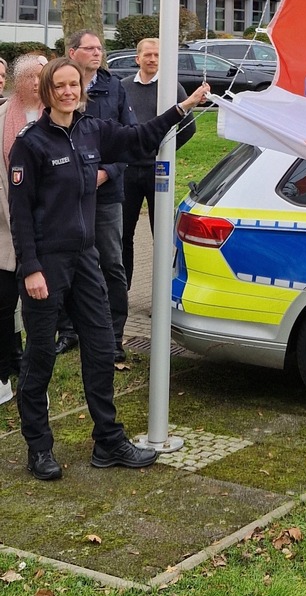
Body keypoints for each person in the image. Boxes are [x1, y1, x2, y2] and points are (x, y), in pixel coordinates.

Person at [8, 56, 212, 480]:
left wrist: (183, 106)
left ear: (81, 89)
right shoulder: (32, 143)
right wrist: (30, 268)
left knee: (101, 350)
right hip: (46, 264)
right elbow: (21, 212)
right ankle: (39, 447)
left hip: (86, 260)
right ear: (46, 93)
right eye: (59, 86)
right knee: (40, 356)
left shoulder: (92, 131)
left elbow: (139, 139)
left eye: (73, 85)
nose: (67, 91)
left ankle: (108, 441)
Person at [54, 31, 137, 362]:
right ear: (73, 52)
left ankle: (113, 336)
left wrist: (108, 171)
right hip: (67, 194)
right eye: (90, 48)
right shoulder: (59, 85)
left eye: (100, 48)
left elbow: (128, 139)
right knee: (65, 261)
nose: (98, 53)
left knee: (111, 263)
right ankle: (68, 331)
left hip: (106, 192)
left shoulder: (113, 86)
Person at [121, 38, 195, 288]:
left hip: (157, 172)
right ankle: (122, 291)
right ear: (137, 58)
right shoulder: (124, 87)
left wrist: (162, 153)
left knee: (161, 236)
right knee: (123, 234)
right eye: (148, 55)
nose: (152, 59)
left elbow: (189, 128)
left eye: (157, 55)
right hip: (128, 173)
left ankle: (161, 295)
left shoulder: (171, 88)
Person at [0, 54, 47, 405]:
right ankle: (4, 371)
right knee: (3, 307)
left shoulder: (58, 118)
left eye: (41, 76)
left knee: (40, 313)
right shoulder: (3, 118)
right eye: (29, 77)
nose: (36, 83)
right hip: (4, 230)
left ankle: (31, 377)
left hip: (46, 233)